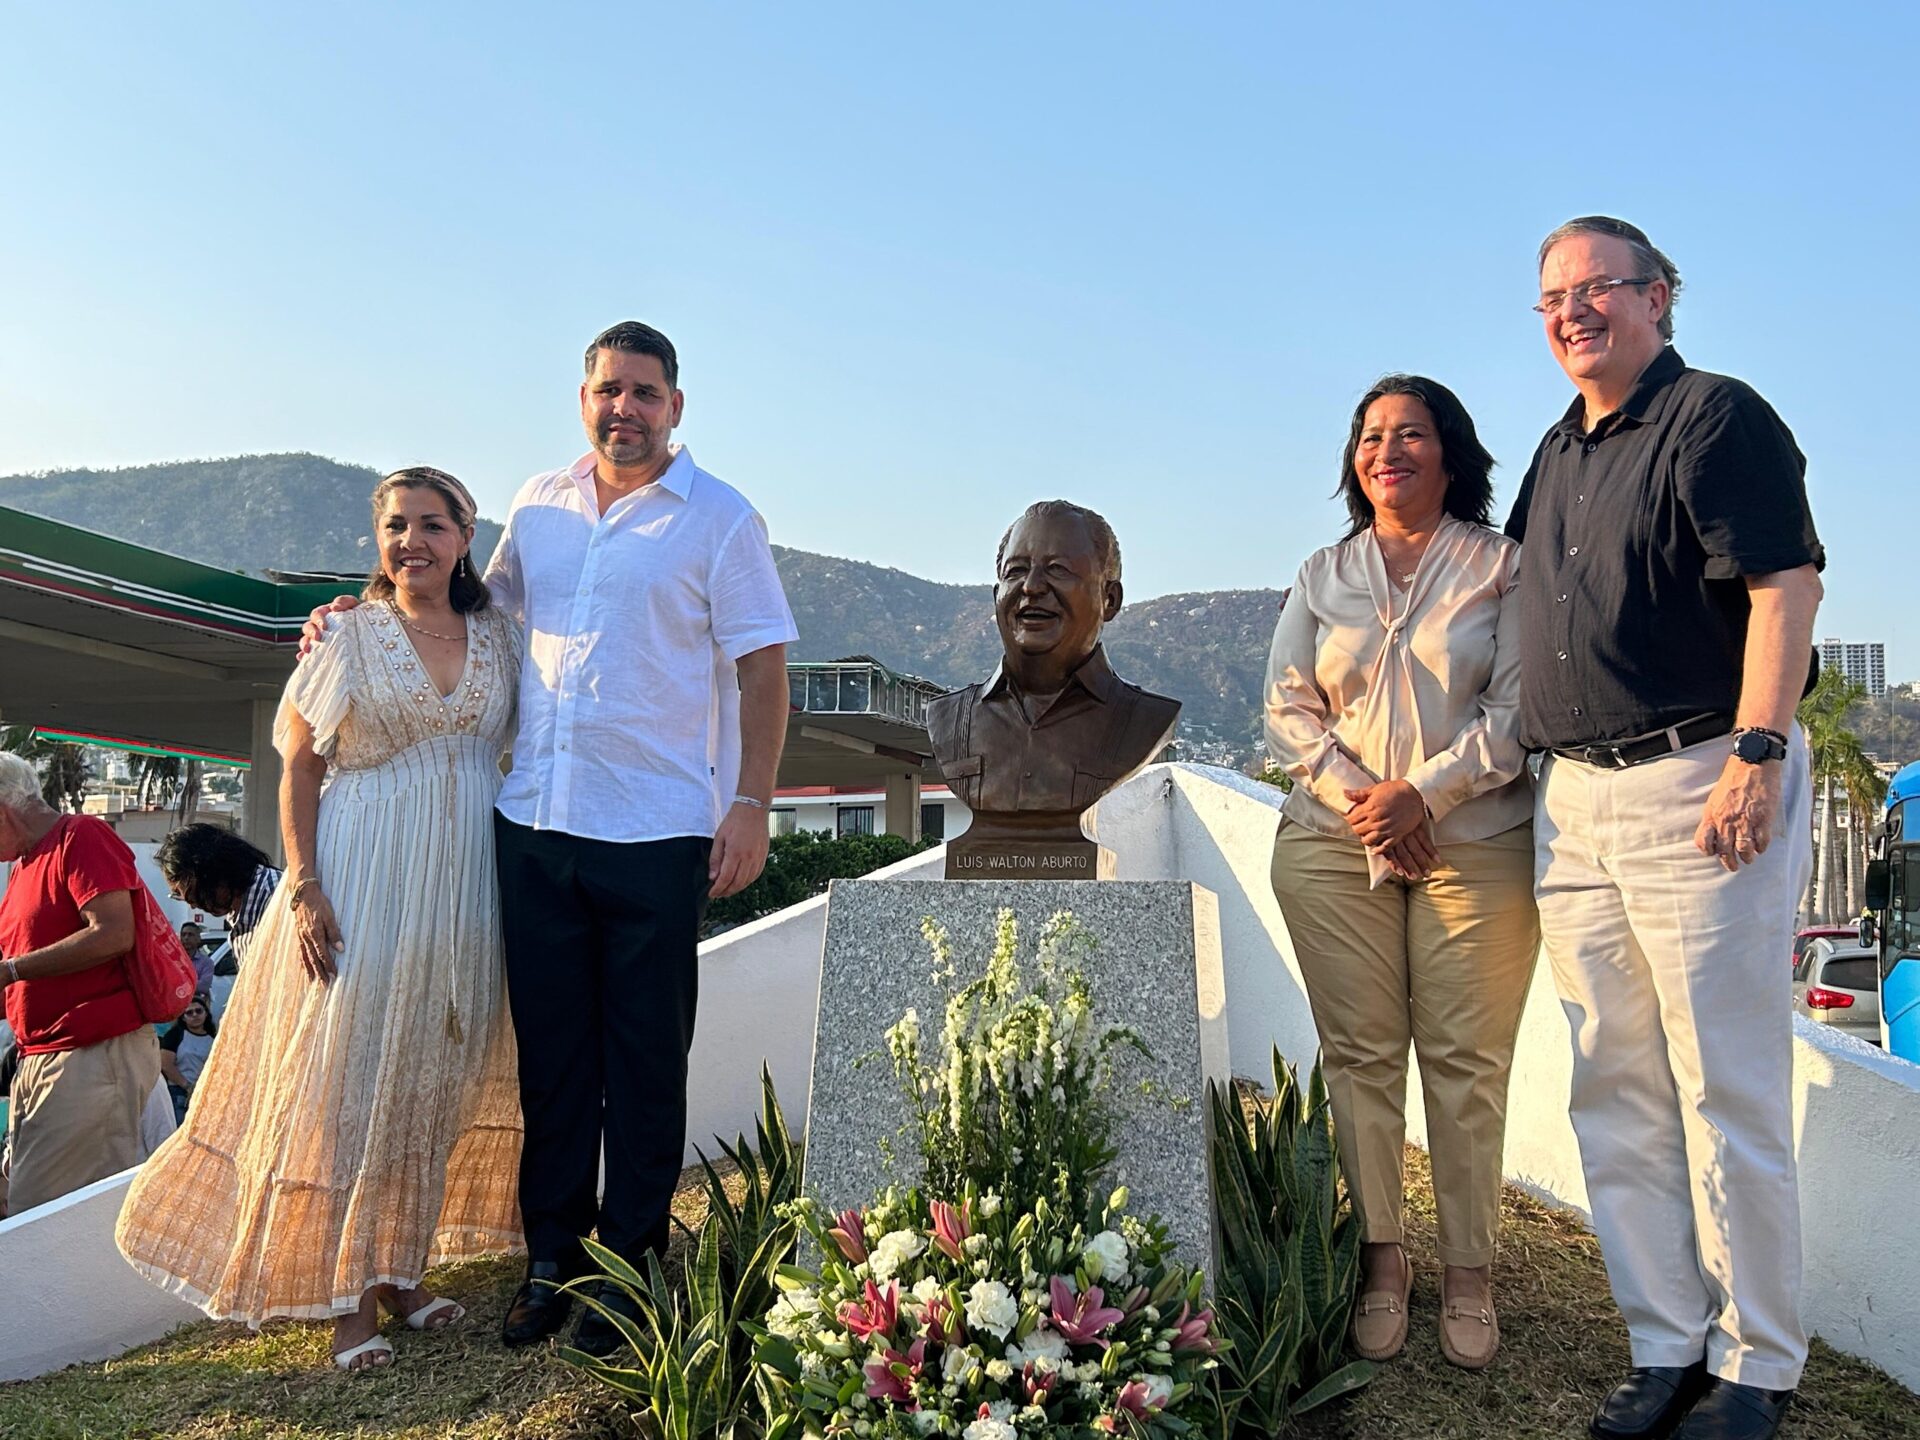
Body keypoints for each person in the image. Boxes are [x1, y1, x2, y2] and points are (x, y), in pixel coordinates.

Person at [302, 321, 796, 1357]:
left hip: (658, 831)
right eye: (609, 390)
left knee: (646, 1065)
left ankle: (629, 1267)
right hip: (531, 827)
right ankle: (550, 1262)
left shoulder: (722, 520)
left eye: (646, 393)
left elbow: (762, 671)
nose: (626, 408)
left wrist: (749, 802)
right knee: (554, 1066)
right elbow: (473, 609)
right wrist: (358, 613)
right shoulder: (538, 502)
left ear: (677, 406)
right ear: (585, 400)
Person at [1507, 217, 1823, 1440]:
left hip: (1700, 782)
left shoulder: (1717, 418)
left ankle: (1759, 1364)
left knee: (1726, 1086)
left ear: (1659, 296)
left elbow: (1783, 585)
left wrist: (1760, 750)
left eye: (1597, 289)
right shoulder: (1557, 451)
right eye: (1551, 299)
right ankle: (1666, 1345)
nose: (1573, 312)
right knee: (1614, 1084)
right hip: (1573, 803)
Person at [117, 467, 526, 1372]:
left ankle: (406, 1275)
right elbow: (300, 763)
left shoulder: (501, 635)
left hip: (464, 885)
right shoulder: (348, 634)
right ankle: (347, 1301)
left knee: (432, 1072)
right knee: (349, 1078)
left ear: (466, 535)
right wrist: (303, 882)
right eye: (393, 527)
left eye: (430, 524)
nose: (410, 542)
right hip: (365, 870)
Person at [1264, 375, 1537, 1370]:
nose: (1388, 450)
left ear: (1450, 453)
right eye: (1371, 436)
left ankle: (1469, 1271)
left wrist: (1424, 794)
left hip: (1477, 844)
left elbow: (1514, 715)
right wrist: (1373, 806)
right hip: (1335, 845)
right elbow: (1288, 708)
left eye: (1411, 433)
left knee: (1466, 1064)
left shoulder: (1502, 567)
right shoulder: (1320, 572)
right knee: (1363, 1056)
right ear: (1354, 460)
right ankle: (1385, 1258)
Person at [0, 751, 163, 1215]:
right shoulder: (25, 863)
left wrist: (12, 970)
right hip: (46, 1056)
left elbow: (114, 933)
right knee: (39, 1212)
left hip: (90, 1052)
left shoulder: (80, 836)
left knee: (46, 1216)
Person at [155, 826, 282, 970]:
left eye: (191, 894)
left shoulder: (276, 897)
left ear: (210, 871)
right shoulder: (240, 915)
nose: (193, 906)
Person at [158, 992, 217, 1123]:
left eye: (198, 1011)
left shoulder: (214, 1039)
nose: (195, 1015)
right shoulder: (175, 1035)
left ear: (206, 1013)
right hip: (179, 1092)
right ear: (183, 1018)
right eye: (189, 1013)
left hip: (204, 1094)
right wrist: (187, 1086)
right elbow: (166, 1065)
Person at [178, 922, 213, 993]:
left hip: (196, 1001)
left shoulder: (206, 962)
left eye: (190, 935)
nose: (186, 938)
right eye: (183, 935)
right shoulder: (172, 960)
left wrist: (179, 986)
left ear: (198, 939)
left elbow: (203, 986)